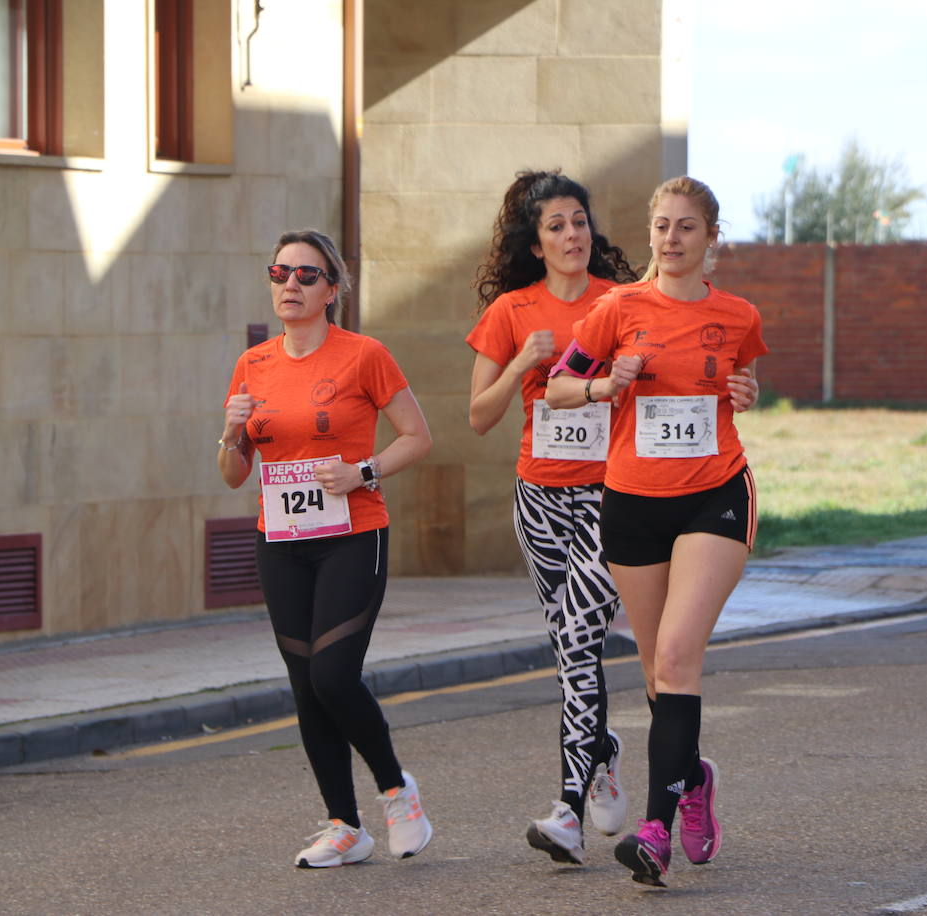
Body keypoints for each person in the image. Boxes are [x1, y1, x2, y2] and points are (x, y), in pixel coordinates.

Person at [545, 176, 763, 887]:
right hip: (634, 501)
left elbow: (742, 381)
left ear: (710, 238)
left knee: (677, 656)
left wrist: (748, 392)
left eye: (686, 228)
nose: (672, 239)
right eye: (662, 226)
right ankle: (692, 778)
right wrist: (605, 386)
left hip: (715, 497)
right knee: (657, 673)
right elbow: (557, 386)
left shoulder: (737, 315)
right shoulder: (618, 309)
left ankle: (654, 832)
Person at [219, 229, 434, 869]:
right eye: (280, 272)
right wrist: (232, 434)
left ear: (332, 289)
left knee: (333, 675)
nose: (290, 284)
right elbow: (234, 473)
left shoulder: (364, 355)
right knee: (305, 685)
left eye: (306, 276)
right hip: (280, 540)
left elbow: (417, 437)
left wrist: (362, 472)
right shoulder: (253, 363)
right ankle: (344, 825)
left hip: (351, 534)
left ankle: (398, 791)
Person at [466, 169, 637, 865]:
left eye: (580, 221)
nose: (573, 235)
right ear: (535, 245)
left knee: (574, 636)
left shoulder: (622, 303)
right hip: (538, 497)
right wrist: (519, 367)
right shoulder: (511, 312)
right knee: (574, 647)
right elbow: (478, 417)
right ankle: (603, 750)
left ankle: (567, 808)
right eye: (557, 226)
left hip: (611, 495)